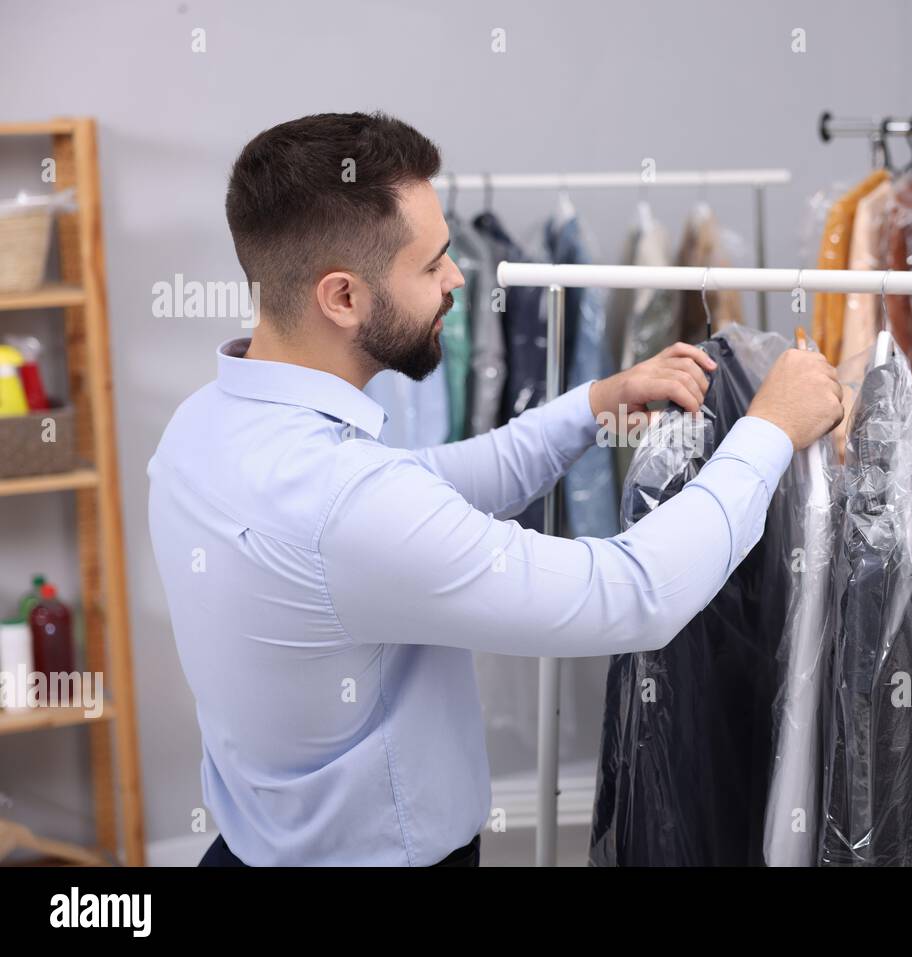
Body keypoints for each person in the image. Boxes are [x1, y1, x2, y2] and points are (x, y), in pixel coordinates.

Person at [147, 111, 843, 866]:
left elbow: (433, 484)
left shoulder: (202, 429)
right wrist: (769, 430)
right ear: (342, 298)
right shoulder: (345, 504)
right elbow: (631, 592)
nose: (457, 279)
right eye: (432, 265)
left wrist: (593, 404)